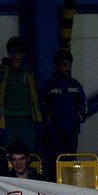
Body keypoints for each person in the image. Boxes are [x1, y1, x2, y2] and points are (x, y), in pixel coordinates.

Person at [39, 49, 87, 181]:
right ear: (56, 65)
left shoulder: (75, 84)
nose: (68, 68)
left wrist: (78, 117)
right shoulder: (48, 85)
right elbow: (42, 105)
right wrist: (50, 121)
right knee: (53, 166)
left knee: (69, 166)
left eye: (70, 64)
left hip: (71, 133)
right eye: (65, 64)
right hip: (53, 134)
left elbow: (83, 104)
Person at [0, 37, 41, 153]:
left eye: (18, 53)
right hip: (5, 117)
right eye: (12, 53)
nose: (14, 56)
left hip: (26, 117)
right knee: (5, 151)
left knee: (28, 150)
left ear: (23, 54)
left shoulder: (29, 72)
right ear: (8, 52)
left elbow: (34, 97)